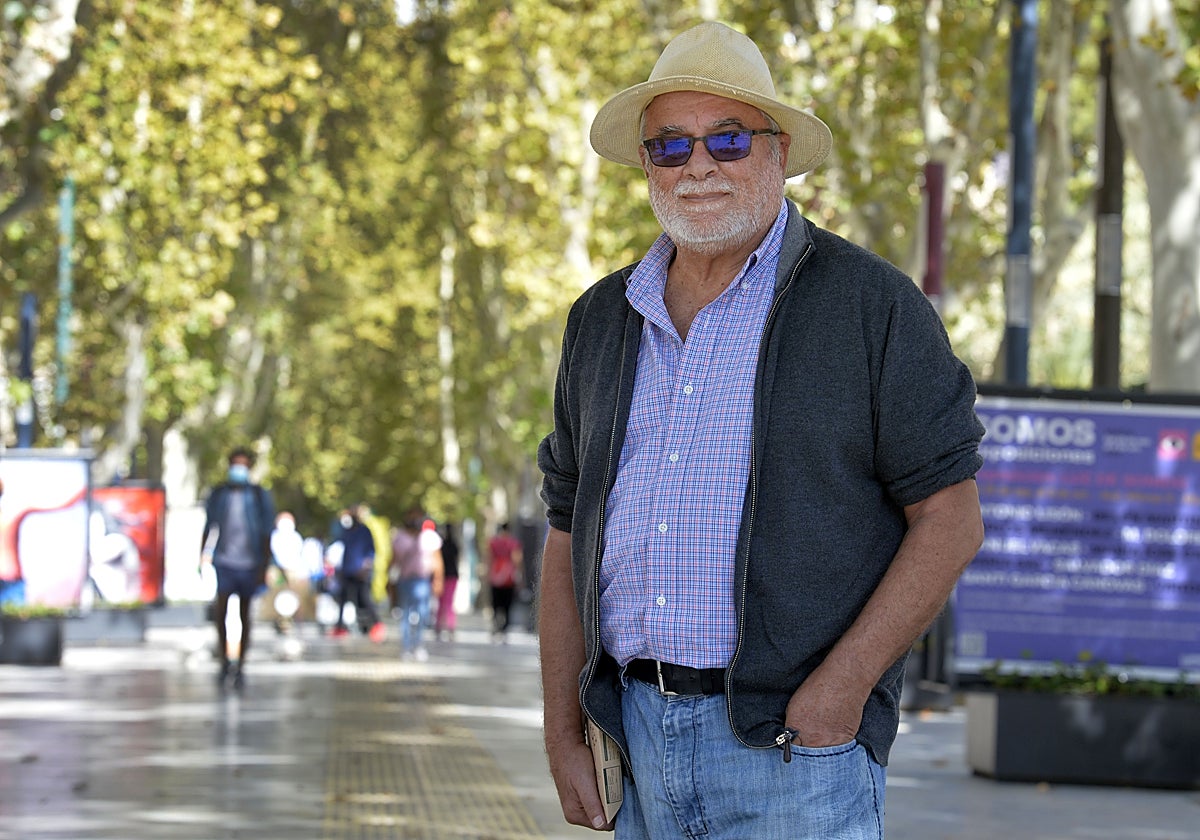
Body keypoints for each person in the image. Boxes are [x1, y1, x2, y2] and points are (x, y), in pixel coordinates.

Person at [535, 22, 985, 839]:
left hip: (793, 756)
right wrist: (563, 727)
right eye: (670, 146)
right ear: (647, 165)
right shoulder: (601, 319)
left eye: (728, 138)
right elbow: (567, 532)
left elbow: (950, 519)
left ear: (778, 152)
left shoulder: (871, 306)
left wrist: (838, 693)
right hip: (634, 743)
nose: (698, 165)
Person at [200, 447, 276, 690]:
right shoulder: (219, 494)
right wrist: (202, 555)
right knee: (220, 610)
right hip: (225, 562)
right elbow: (209, 525)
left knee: (245, 614)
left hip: (250, 563)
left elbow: (266, 531)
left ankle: (240, 665)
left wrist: (264, 565)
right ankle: (224, 662)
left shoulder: (258, 496)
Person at [330, 506, 385, 642]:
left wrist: (365, 567)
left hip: (360, 571)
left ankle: (376, 624)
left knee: (364, 599)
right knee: (342, 599)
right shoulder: (346, 531)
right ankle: (340, 627)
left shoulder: (364, 531)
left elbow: (370, 551)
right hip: (347, 570)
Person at [390, 511, 433, 660]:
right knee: (406, 613)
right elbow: (394, 559)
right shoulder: (400, 538)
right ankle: (407, 646)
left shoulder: (427, 537)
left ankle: (417, 645)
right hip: (406, 580)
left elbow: (435, 559)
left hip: (422, 580)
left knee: (421, 613)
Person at [486, 522, 522, 641]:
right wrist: (520, 576)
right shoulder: (513, 543)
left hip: (495, 575)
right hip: (508, 577)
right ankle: (504, 629)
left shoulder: (493, 542)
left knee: (496, 604)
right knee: (507, 605)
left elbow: (489, 558)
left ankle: (496, 625)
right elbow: (517, 559)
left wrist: (488, 574)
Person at [434, 521, 461, 640]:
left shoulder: (441, 546)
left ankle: (440, 626)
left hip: (444, 576)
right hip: (451, 576)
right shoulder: (454, 545)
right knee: (449, 603)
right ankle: (450, 627)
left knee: (442, 603)